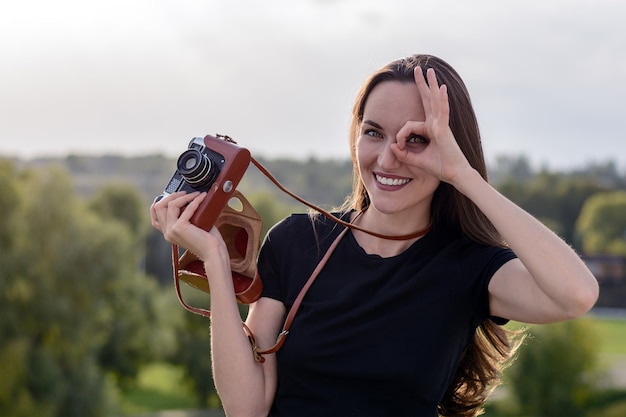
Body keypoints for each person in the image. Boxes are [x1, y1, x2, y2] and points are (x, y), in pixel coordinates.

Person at [150, 54, 599, 417]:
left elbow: (575, 294)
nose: (388, 158)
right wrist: (212, 258)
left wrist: (463, 175)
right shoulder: (297, 242)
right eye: (373, 133)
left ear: (448, 146)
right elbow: (247, 407)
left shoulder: (469, 266)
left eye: (416, 140)